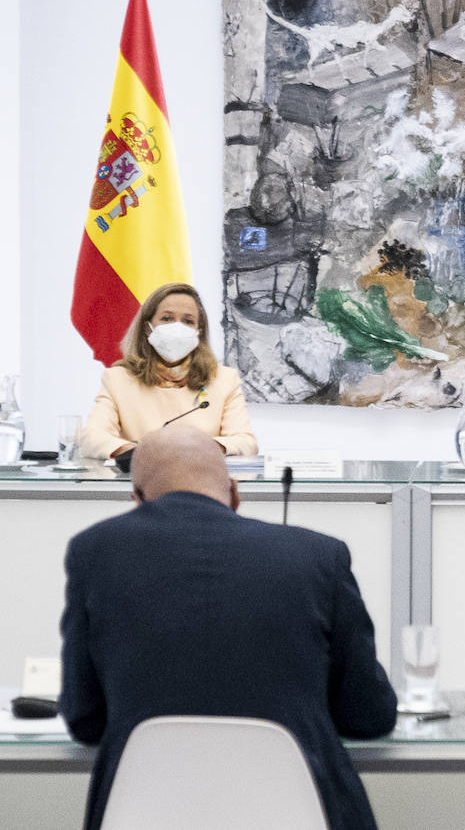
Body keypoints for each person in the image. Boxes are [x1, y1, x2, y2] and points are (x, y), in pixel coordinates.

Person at [60, 428, 397, 829]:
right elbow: (369, 715)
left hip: (141, 816)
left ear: (136, 502)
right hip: (304, 815)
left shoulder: (95, 551)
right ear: (235, 493)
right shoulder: (320, 556)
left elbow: (85, 719)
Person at [82, 282, 258, 459]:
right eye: (167, 318)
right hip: (142, 480)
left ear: (198, 331)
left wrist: (200, 448)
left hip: (201, 478)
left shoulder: (224, 379)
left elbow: (246, 442)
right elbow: (92, 438)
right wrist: (137, 452)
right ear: (146, 328)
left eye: (188, 321)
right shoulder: (118, 379)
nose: (177, 327)